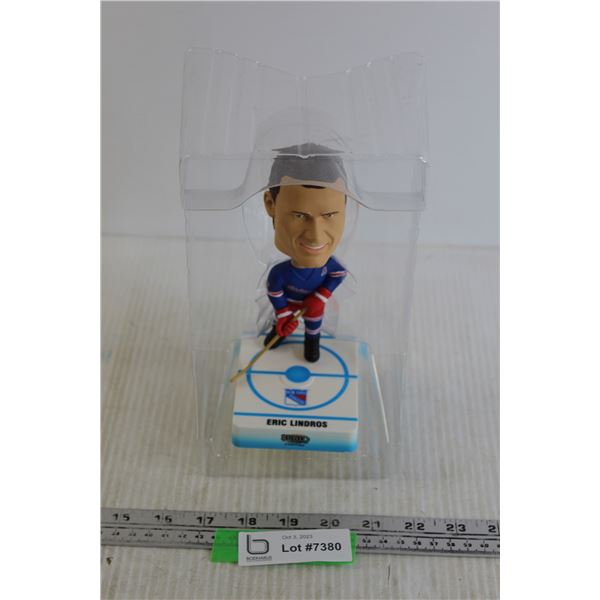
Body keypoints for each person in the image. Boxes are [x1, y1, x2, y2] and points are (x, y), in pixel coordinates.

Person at [263, 143, 348, 362]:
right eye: (299, 215)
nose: (316, 237)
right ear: (270, 204)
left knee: (313, 326)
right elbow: (274, 291)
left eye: (329, 215)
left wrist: (320, 297)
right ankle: (279, 332)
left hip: (313, 308)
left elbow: (339, 273)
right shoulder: (280, 272)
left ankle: (312, 342)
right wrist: (283, 313)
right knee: (281, 325)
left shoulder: (329, 267)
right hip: (288, 309)